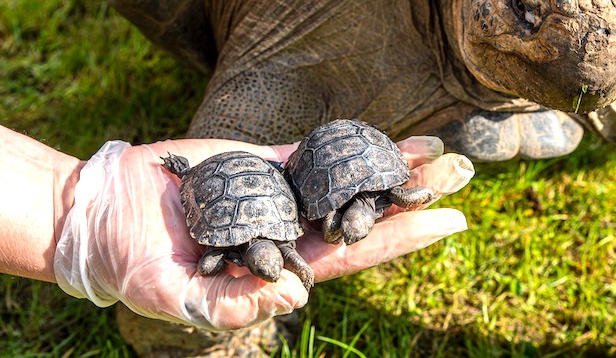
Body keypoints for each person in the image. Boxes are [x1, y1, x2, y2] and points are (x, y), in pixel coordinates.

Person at [0, 123, 472, 331]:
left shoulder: (292, 232)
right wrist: (91, 218)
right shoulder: (285, 239)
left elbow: (319, 227)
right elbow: (220, 260)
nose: (271, 273)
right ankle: (184, 172)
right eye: (275, 269)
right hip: (246, 184)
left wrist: (80, 208)